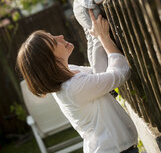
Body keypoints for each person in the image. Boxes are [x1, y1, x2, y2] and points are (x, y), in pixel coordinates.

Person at [16, 10, 139, 153]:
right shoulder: (73, 87)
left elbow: (99, 73)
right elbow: (120, 73)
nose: (60, 36)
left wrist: (97, 37)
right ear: (49, 60)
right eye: (54, 41)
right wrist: (104, 37)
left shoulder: (69, 73)